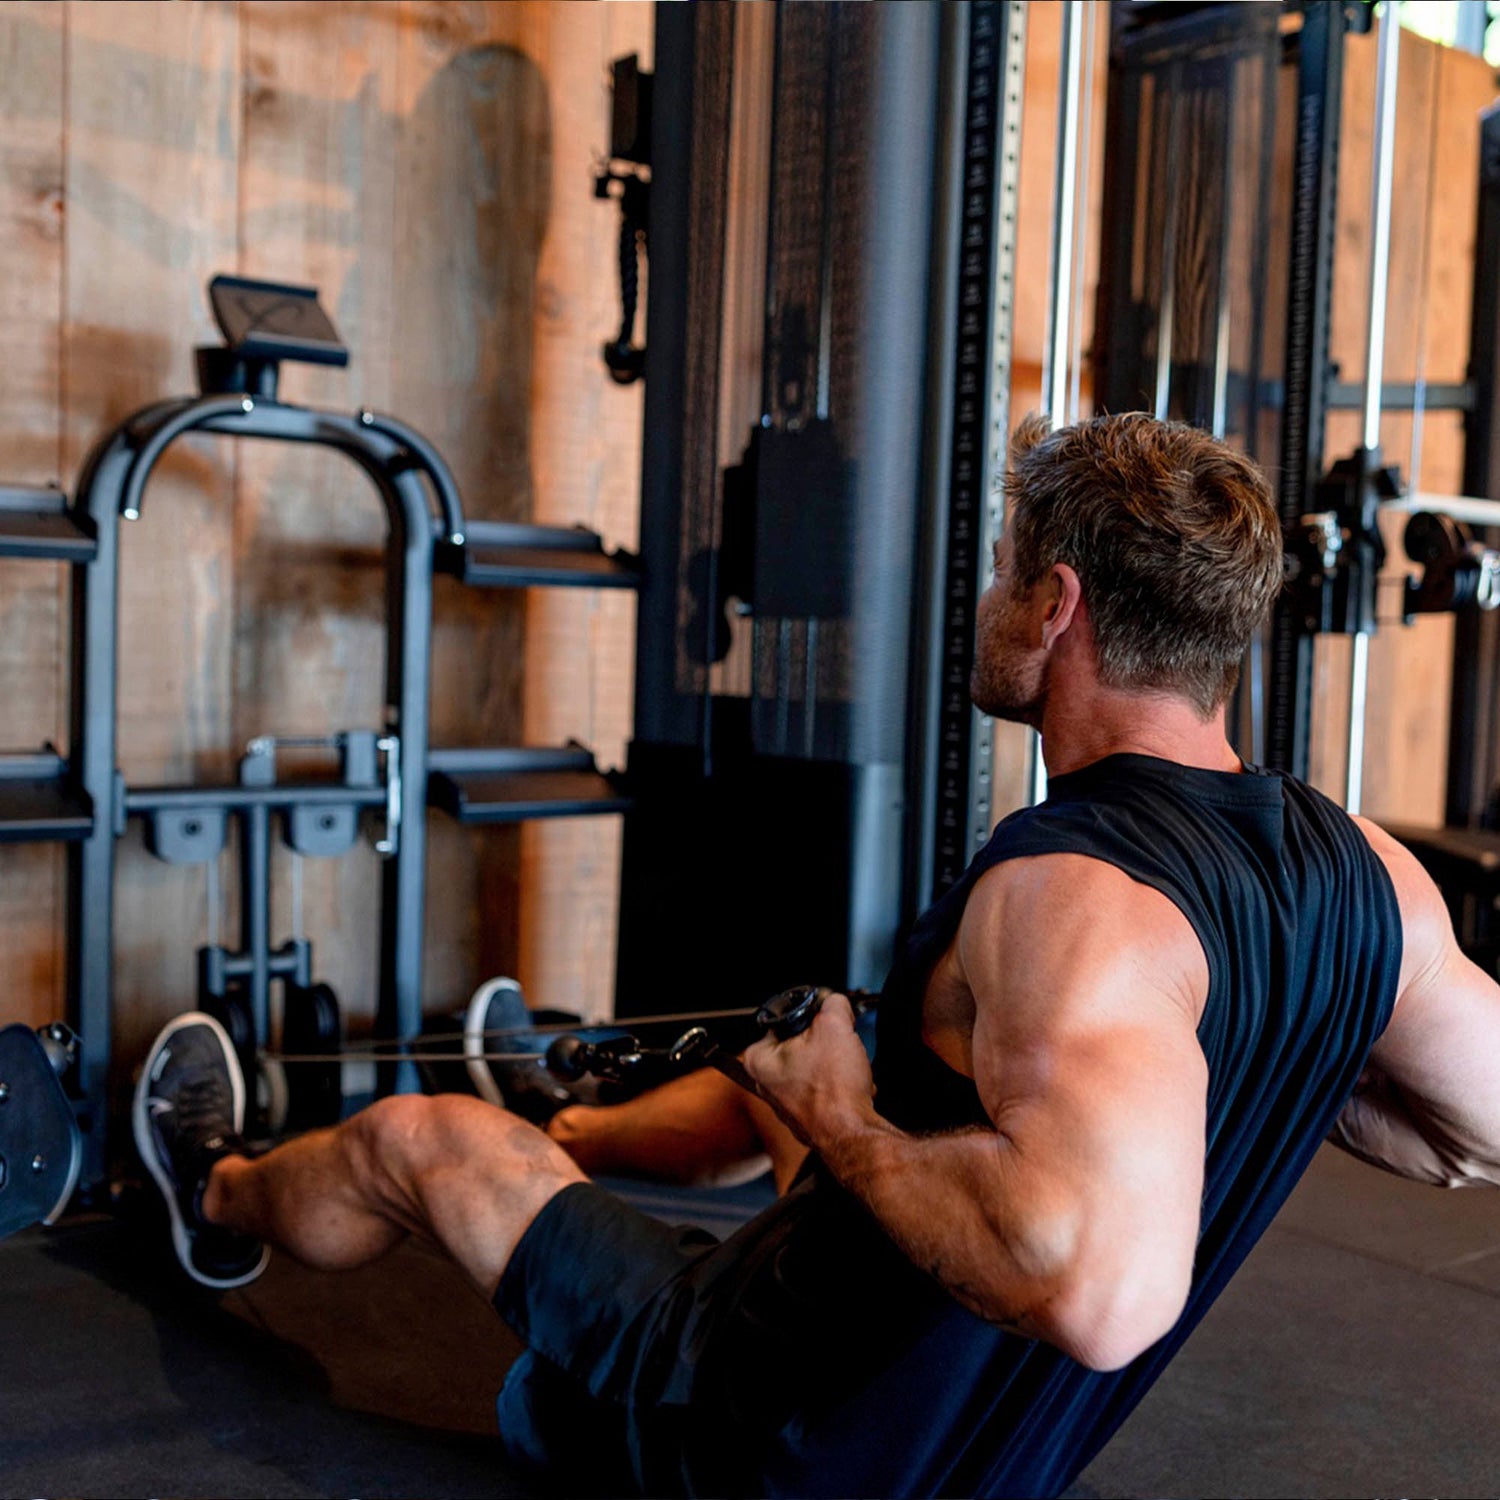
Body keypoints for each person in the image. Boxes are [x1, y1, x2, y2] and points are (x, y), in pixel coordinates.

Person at [134, 412, 1500, 1498]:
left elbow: (1099, 1298)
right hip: (966, 1437)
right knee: (793, 1073)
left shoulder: (1075, 896)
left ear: (1057, 605)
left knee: (414, 1142)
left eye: (1004, 571)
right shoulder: (1368, 877)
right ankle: (569, 1128)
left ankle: (214, 1189)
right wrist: (1274, 1043)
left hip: (758, 1437)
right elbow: (1477, 1133)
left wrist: (842, 1117)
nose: (990, 597)